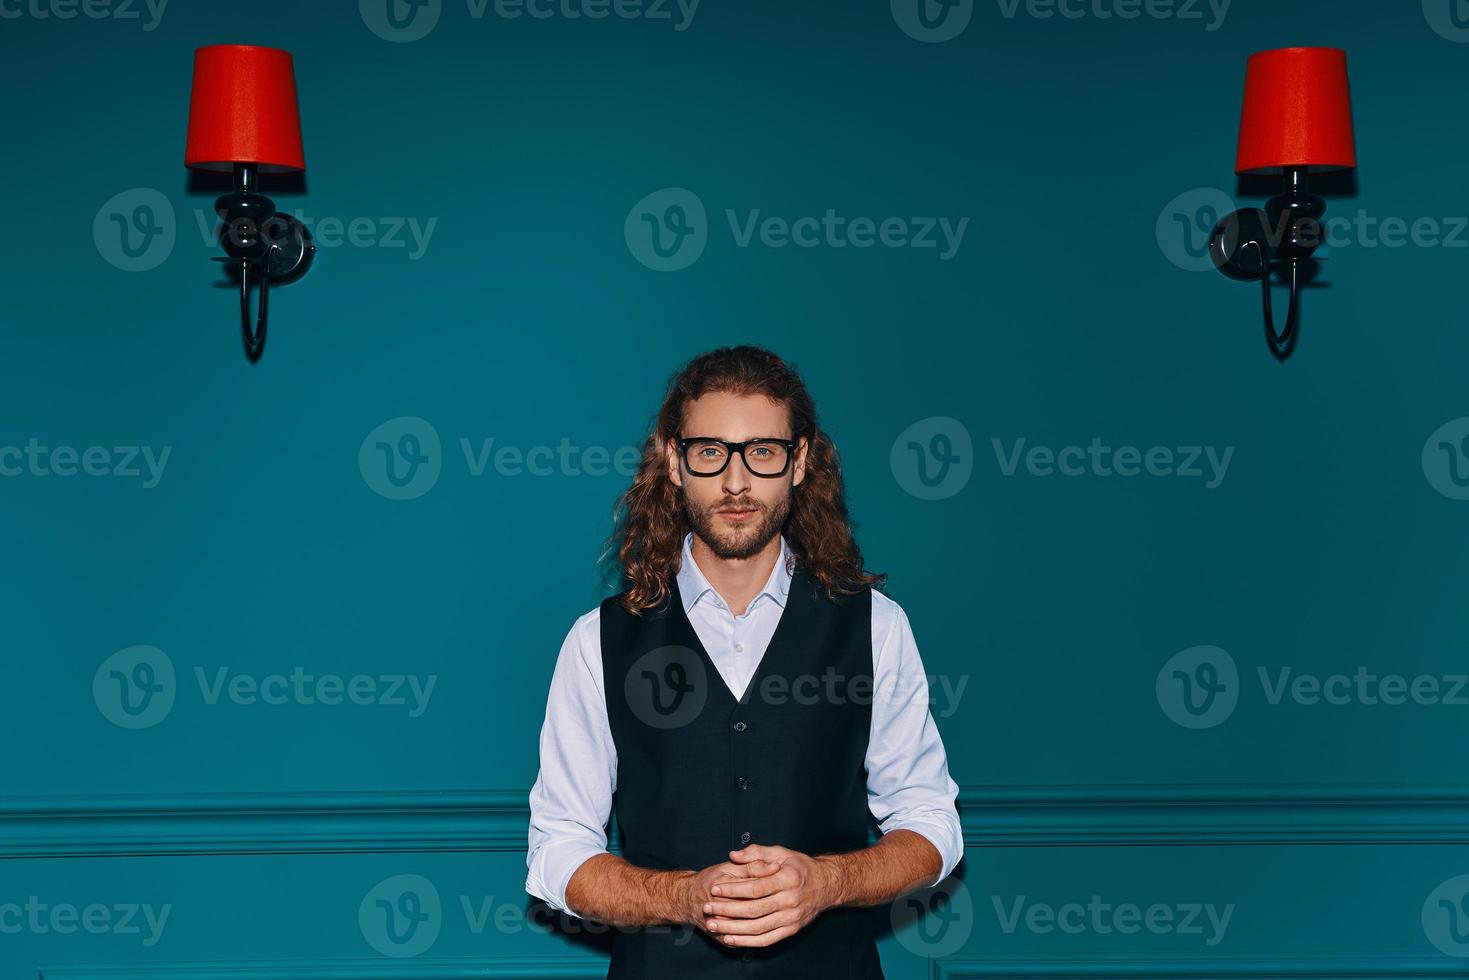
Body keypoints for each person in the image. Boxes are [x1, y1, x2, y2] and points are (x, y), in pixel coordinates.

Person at [526, 345, 963, 978]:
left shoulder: (878, 628)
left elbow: (932, 824)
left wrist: (827, 882)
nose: (736, 482)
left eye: (762, 452)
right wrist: (682, 896)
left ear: (800, 462)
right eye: (711, 452)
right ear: (675, 462)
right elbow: (556, 851)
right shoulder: (598, 641)